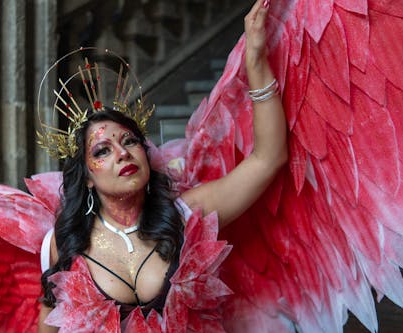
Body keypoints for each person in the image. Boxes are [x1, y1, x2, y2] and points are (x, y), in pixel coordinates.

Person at [37, 0, 287, 331]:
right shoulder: (64, 242)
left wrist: (256, 62)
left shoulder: (188, 214)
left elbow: (268, 158)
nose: (122, 154)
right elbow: (49, 324)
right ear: (87, 178)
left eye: (129, 142)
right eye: (102, 151)